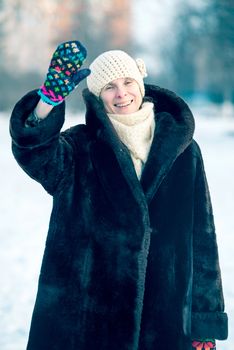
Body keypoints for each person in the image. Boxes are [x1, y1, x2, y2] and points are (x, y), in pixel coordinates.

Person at [10, 41, 228, 350]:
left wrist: (204, 323)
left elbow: (203, 240)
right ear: (98, 96)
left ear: (140, 83)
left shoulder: (184, 151)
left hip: (164, 317)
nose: (121, 93)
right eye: (109, 87)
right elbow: (34, 154)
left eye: (127, 82)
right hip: (87, 319)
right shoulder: (78, 147)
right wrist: (47, 101)